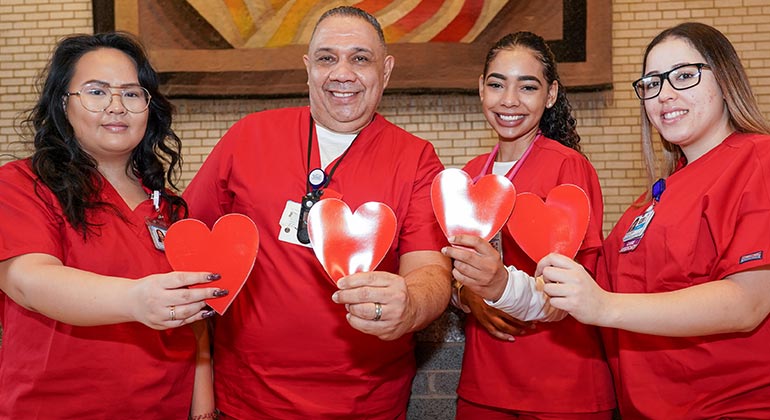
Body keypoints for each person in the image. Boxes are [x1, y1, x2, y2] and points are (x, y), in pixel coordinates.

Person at [183, 6, 451, 419]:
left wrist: (412, 303)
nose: (342, 73)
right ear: (308, 68)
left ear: (387, 69)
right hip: (248, 399)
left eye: (360, 58)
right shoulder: (247, 137)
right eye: (327, 58)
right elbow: (189, 241)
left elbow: (430, 269)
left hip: (366, 402)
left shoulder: (416, 158)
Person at [538, 22, 770, 418]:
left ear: (727, 78)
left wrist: (604, 305)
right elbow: (588, 291)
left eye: (684, 75)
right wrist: (497, 284)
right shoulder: (648, 202)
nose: (665, 94)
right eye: (651, 83)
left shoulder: (757, 160)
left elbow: (748, 301)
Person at [0, 32, 226, 419]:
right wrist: (135, 300)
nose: (117, 106)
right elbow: (27, 280)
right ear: (62, 104)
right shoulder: (21, 185)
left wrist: (204, 409)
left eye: (132, 94)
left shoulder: (167, 205)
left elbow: (195, 318)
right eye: (97, 91)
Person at [441, 32, 615, 419]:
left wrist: (497, 286)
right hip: (485, 381)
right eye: (497, 83)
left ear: (550, 95)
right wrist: (465, 294)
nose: (509, 100)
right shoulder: (470, 175)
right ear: (480, 89)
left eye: (528, 86)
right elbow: (452, 269)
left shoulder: (567, 167)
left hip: (560, 384)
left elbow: (576, 286)